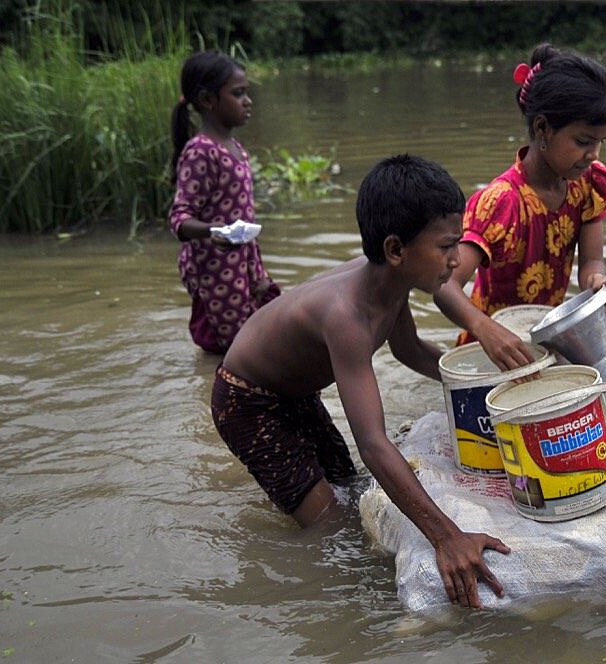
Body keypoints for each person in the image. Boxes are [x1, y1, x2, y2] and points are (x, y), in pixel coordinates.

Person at [210, 154, 510, 608]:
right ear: (396, 250)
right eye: (447, 247)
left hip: (293, 391)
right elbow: (373, 445)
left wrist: (483, 382)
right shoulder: (347, 317)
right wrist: (447, 537)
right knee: (329, 522)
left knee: (347, 488)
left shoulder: (390, 282)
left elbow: (408, 350)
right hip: (246, 403)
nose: (456, 261)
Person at [434, 43, 606, 371]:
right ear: (542, 129)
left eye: (600, 142)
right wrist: (484, 328)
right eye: (583, 142)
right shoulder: (501, 204)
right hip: (491, 353)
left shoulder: (590, 184)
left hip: (544, 343)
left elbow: (592, 261)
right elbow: (443, 283)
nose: (593, 154)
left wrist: (600, 285)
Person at [168, 51, 280, 354]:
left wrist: (256, 270)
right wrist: (213, 231)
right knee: (240, 350)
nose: (248, 101)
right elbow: (179, 218)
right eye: (238, 93)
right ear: (207, 100)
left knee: (263, 335)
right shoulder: (200, 151)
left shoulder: (234, 147)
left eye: (247, 93)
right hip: (217, 274)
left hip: (245, 264)